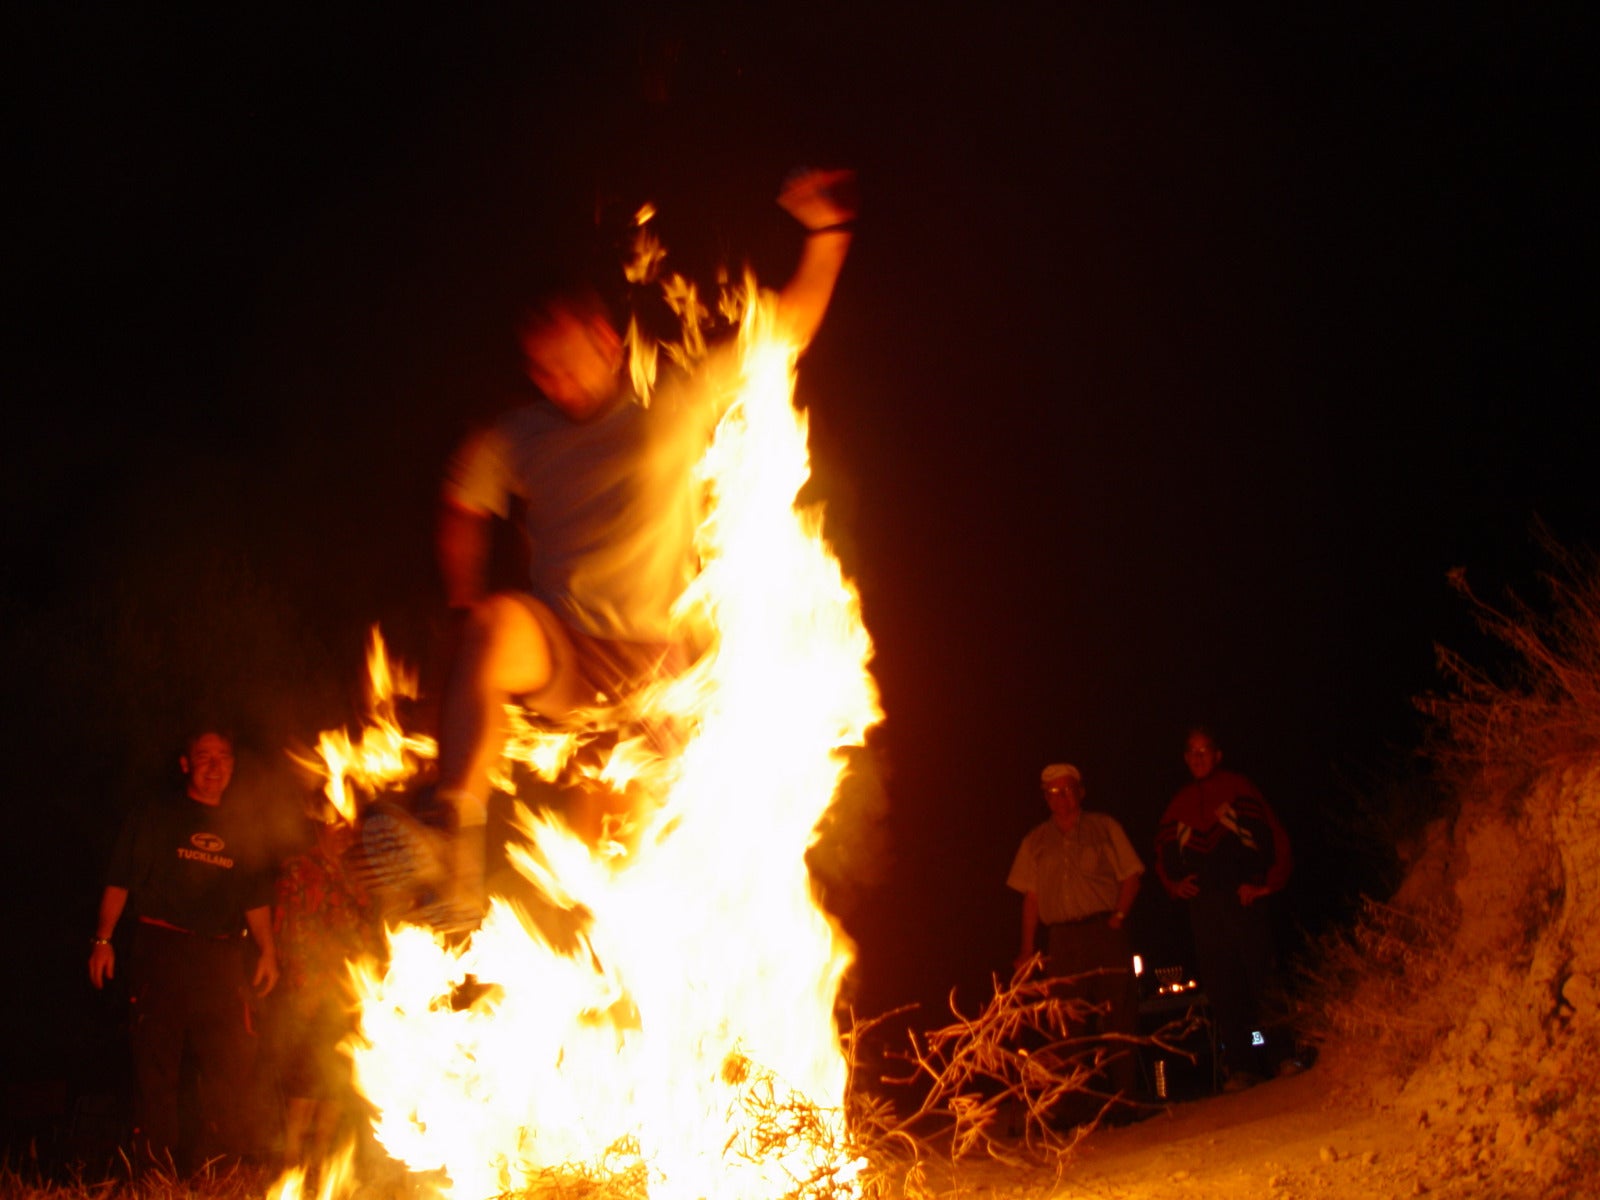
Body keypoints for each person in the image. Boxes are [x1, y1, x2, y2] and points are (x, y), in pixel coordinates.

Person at [428, 168, 858, 917]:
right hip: (565, 644)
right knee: (493, 628)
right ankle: (448, 841)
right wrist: (463, 597)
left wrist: (827, 234)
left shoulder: (674, 396)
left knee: (615, 867)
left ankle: (628, 986)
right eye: (541, 372)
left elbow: (786, 328)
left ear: (604, 339)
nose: (556, 385)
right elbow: (463, 501)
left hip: (659, 670)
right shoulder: (522, 433)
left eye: (566, 363)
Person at [88, 728, 279, 1170]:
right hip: (162, 949)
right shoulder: (157, 815)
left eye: (223, 757)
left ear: (232, 765)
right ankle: (154, 1173)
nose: (215, 767)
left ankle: (220, 1172)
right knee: (156, 1068)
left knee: (227, 1067)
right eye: (204, 756)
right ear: (185, 764)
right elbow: (120, 879)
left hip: (221, 957)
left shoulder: (243, 825)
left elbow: (255, 898)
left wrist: (268, 951)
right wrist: (103, 940)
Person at [1154, 726, 1295, 1091]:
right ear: (1186, 759)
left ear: (1218, 755)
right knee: (1224, 988)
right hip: (1205, 911)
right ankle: (1242, 1066)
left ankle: (1283, 1055)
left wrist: (1267, 883)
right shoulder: (1178, 805)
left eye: (1206, 750)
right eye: (1192, 752)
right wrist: (1174, 886)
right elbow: (1162, 857)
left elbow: (1274, 836)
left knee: (1263, 978)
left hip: (1244, 900)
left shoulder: (1239, 788)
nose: (1199, 757)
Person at [1007, 762, 1145, 1104]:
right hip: (1063, 939)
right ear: (1046, 798)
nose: (1060, 798)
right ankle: (1076, 1107)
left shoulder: (1104, 827)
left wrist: (1118, 916)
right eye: (1052, 792)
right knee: (1067, 1024)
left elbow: (1131, 875)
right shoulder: (1036, 841)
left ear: (1080, 792)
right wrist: (1027, 948)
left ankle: (1126, 1100)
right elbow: (1031, 897)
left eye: (1067, 790)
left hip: (1104, 932)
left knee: (1118, 1015)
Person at [270, 804, 382, 1171]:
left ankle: (318, 1157)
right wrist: (304, 983)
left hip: (348, 990)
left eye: (349, 824)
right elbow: (288, 927)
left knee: (335, 1075)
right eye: (335, 823)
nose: (344, 831)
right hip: (310, 987)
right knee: (305, 1075)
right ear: (319, 826)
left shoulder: (357, 875)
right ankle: (290, 1157)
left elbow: (368, 928)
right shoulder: (299, 868)